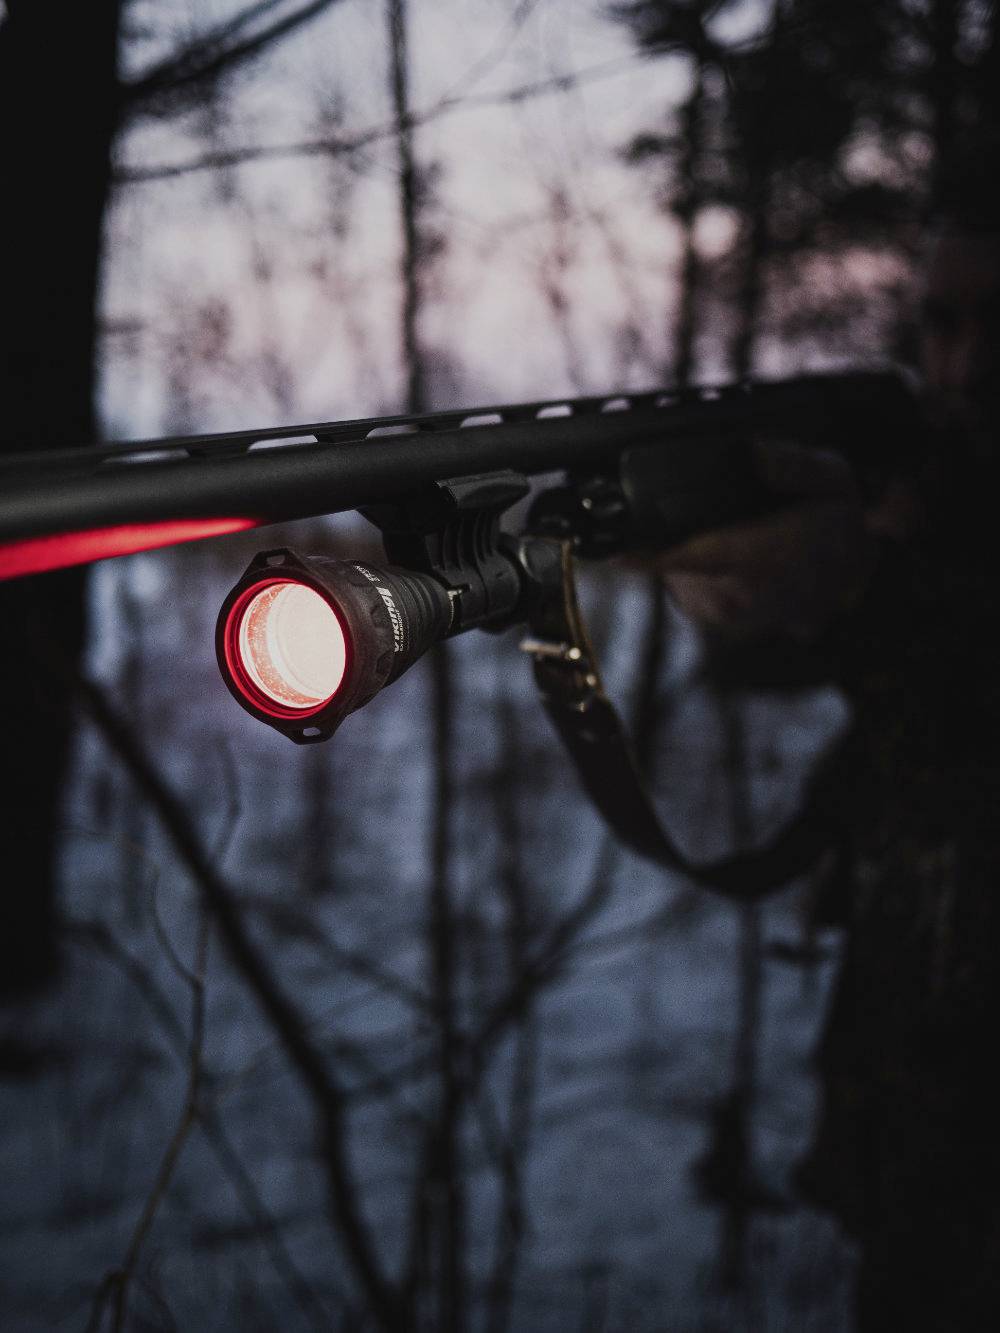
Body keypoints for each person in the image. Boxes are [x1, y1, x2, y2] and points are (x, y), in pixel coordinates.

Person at [655, 198, 1000, 1329]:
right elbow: (780, 667)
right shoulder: (937, 490)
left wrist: (873, 590)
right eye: (943, 323)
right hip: (910, 1139)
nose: (967, 365)